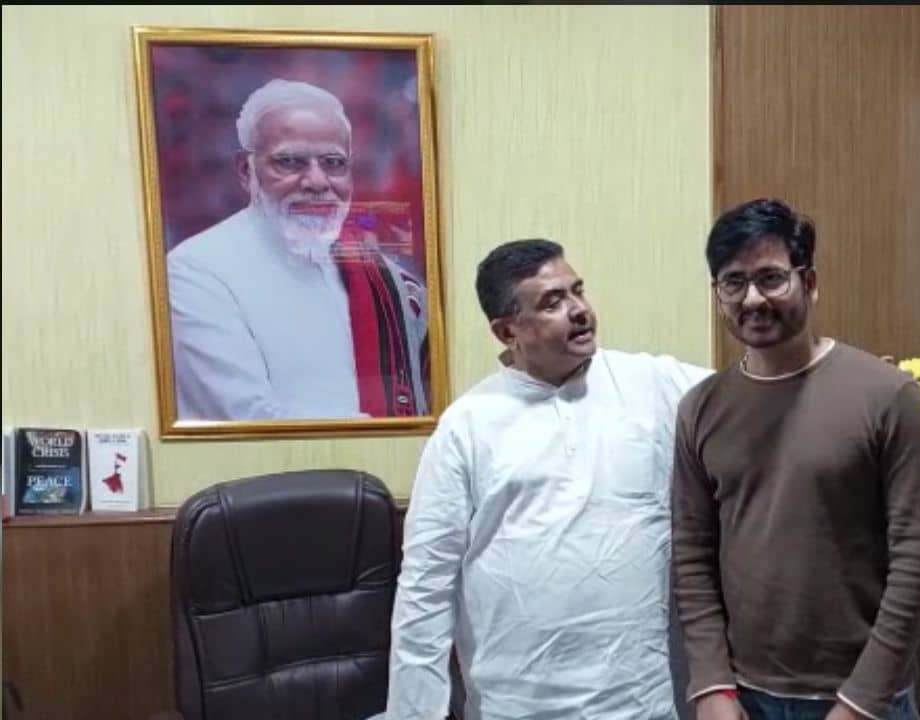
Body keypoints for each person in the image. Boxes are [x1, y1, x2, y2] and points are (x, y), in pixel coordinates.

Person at [381, 239, 711, 720]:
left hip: (639, 701)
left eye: (578, 291)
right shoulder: (467, 427)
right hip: (517, 705)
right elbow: (425, 588)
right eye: (552, 302)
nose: (579, 310)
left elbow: (754, 397)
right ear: (507, 331)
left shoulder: (653, 384)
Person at [671, 199, 920, 720]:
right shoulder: (701, 408)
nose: (753, 298)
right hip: (743, 696)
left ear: (810, 282)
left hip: (863, 699)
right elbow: (692, 555)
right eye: (733, 283)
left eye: (771, 278)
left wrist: (862, 701)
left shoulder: (888, 396)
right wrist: (710, 683)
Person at [166, 78, 429, 421]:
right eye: (290, 162)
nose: (317, 182)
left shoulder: (385, 277)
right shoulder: (197, 270)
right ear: (246, 171)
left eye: (333, 163)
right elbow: (247, 418)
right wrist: (386, 437)